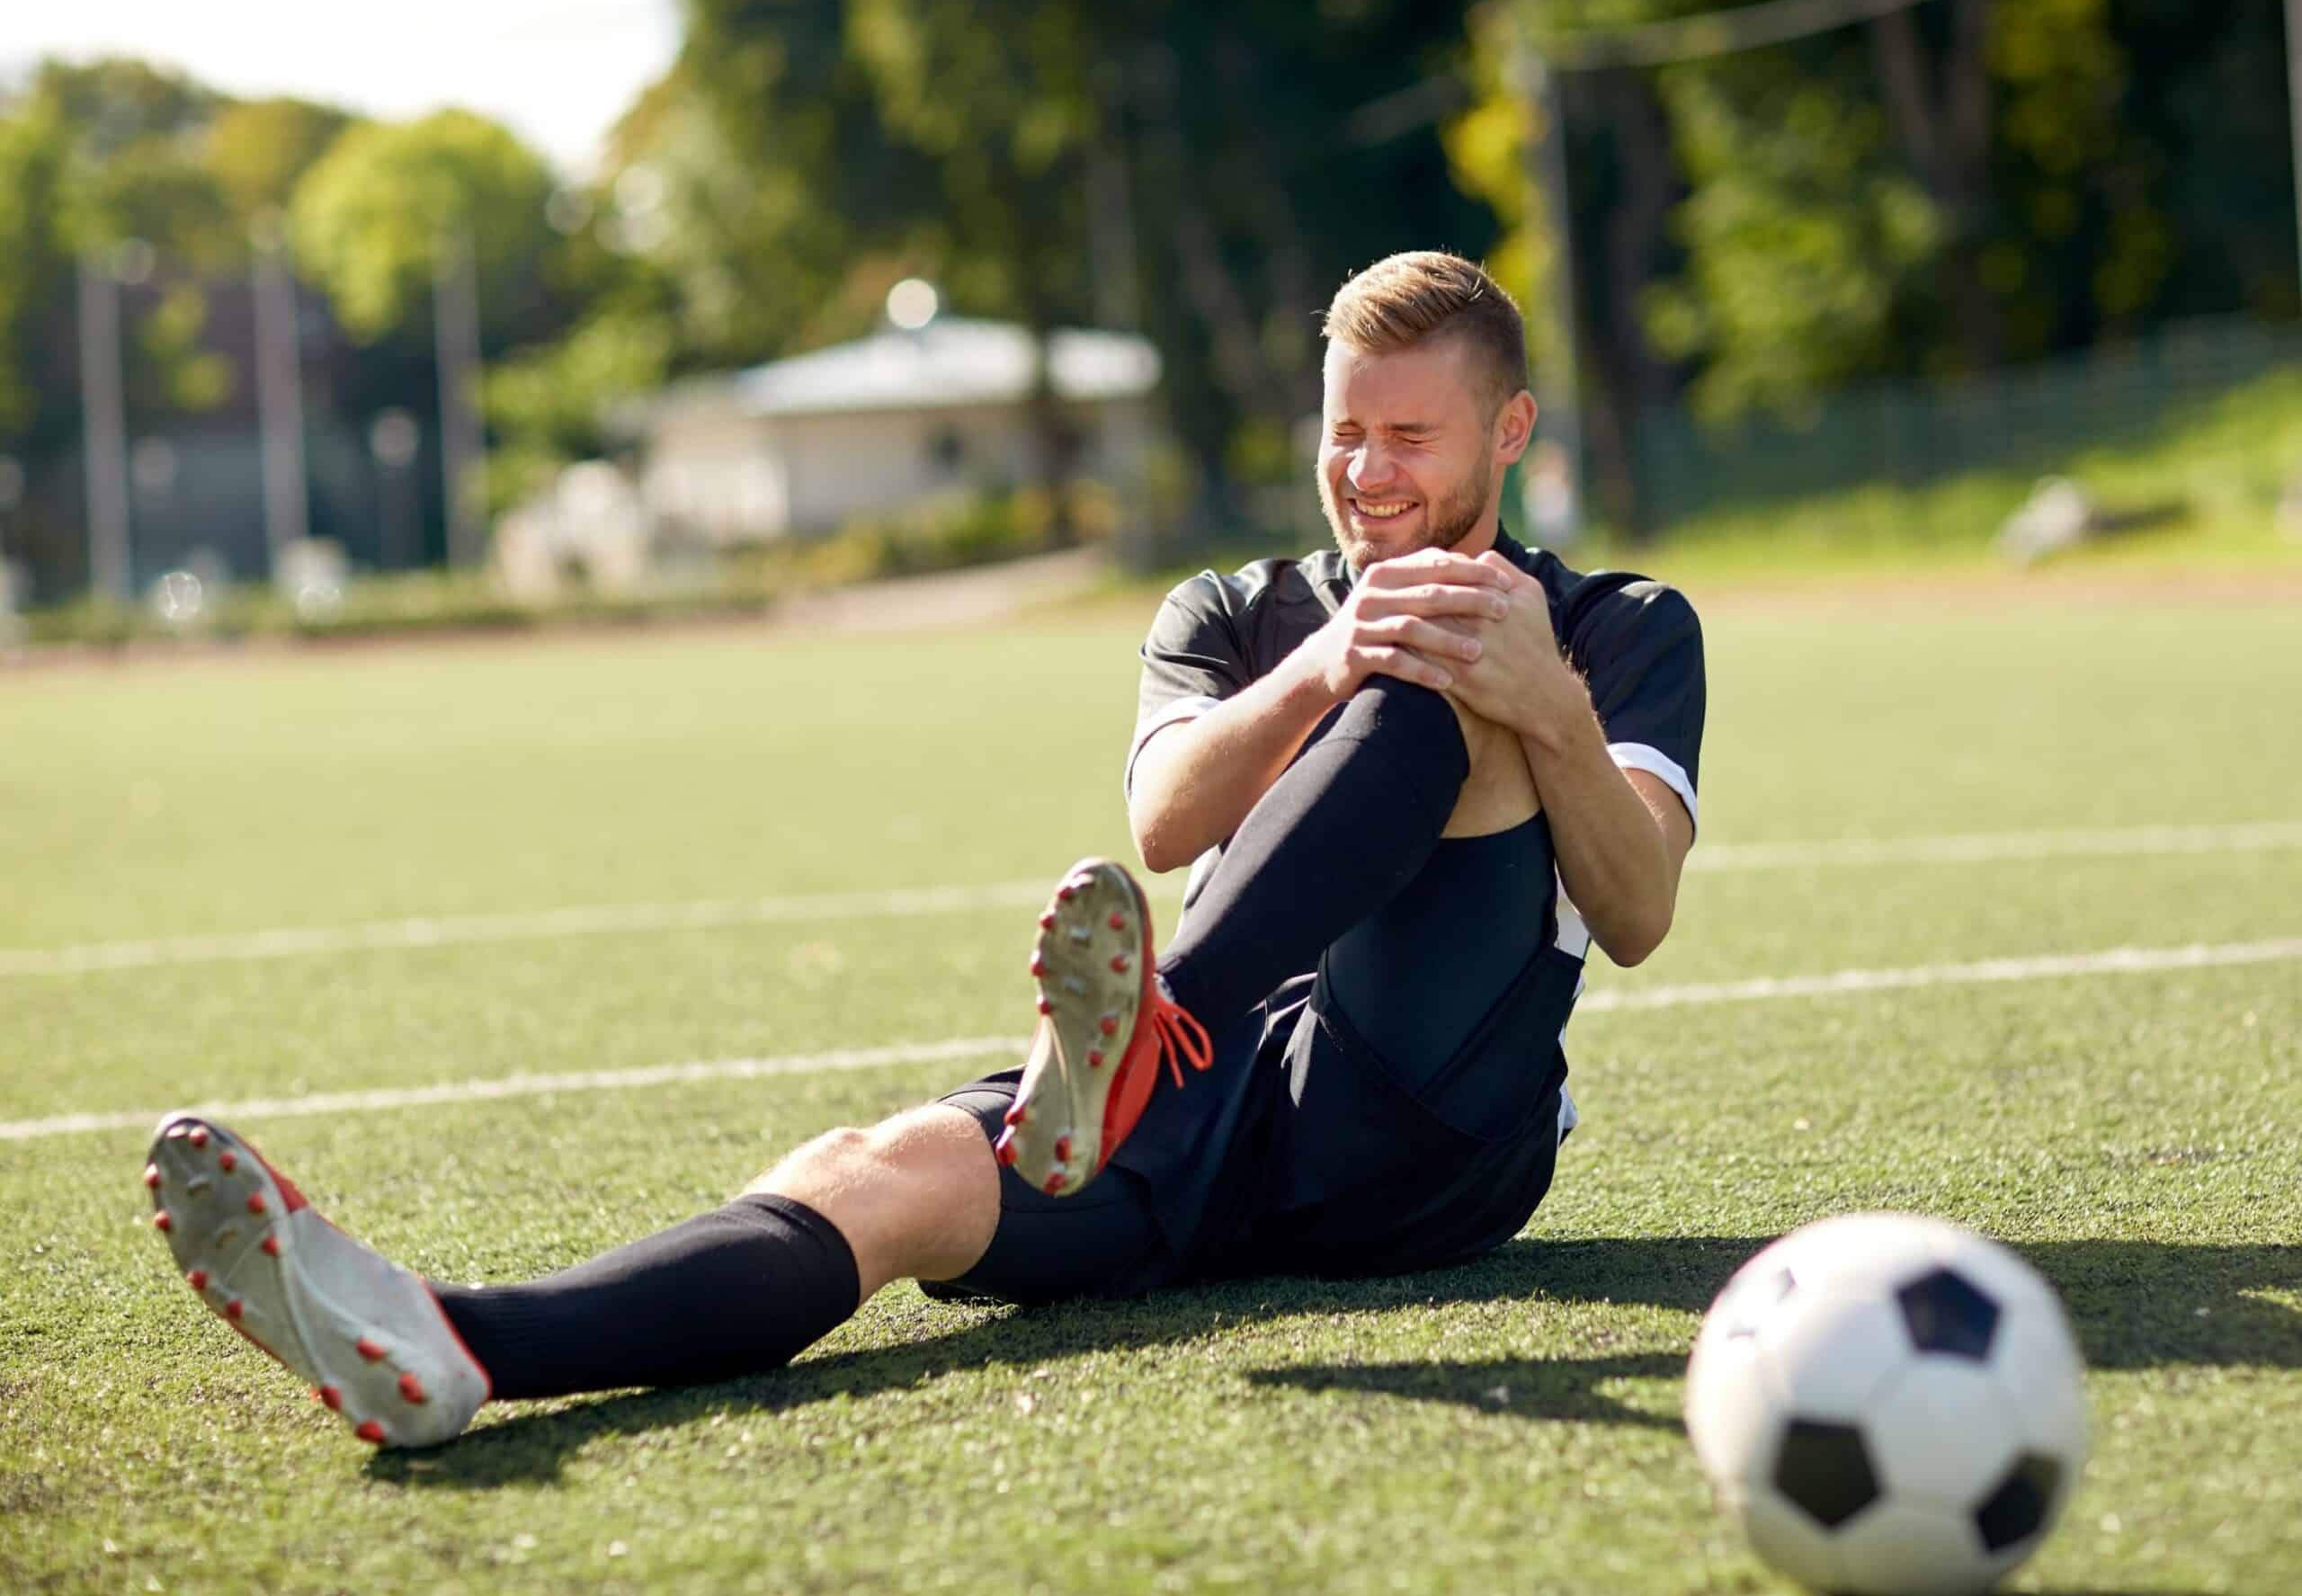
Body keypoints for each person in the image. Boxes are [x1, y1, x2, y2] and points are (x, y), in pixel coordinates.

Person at [141, 251, 1704, 1449]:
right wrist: (1322, 663)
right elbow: (1166, 818)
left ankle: (1147, 1044)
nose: (1367, 473)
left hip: (1423, 1123)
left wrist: (1545, 707)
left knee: (1459, 684)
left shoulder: (1625, 627)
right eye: (1343, 434)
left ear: (1509, 428)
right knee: (883, 1175)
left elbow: (1633, 912)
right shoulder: (1228, 611)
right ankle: (453, 1342)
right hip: (1204, 1108)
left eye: (1409, 437)